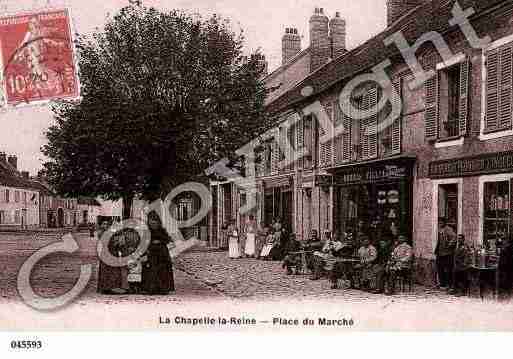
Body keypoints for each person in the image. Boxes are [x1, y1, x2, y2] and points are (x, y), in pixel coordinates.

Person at [141, 211, 175, 295]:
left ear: (158, 222)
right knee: (150, 270)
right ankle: (150, 289)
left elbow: (168, 240)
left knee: (162, 271)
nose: (153, 222)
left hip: (161, 253)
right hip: (151, 253)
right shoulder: (146, 231)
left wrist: (159, 241)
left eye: (154, 220)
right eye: (150, 220)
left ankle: (163, 288)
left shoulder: (162, 230)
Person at [97, 220, 130, 295]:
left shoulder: (113, 233)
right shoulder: (102, 233)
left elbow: (119, 245)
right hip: (105, 254)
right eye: (104, 224)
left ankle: (113, 287)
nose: (105, 225)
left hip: (113, 254)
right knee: (106, 271)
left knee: (114, 272)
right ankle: (105, 288)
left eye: (107, 224)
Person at [435, 219, 457, 289]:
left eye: (441, 222)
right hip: (440, 252)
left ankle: (449, 284)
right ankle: (442, 284)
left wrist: (449, 245)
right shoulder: (440, 229)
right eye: (439, 223)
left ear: (445, 223)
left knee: (448, 269)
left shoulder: (448, 229)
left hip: (447, 253)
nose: (440, 224)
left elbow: (454, 238)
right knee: (440, 268)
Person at [498, 234, 513, 301]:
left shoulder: (507, 247)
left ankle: (505, 295)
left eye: (504, 239)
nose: (503, 241)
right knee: (506, 279)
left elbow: (503, 256)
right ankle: (506, 293)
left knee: (505, 279)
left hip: (505, 265)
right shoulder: (506, 246)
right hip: (506, 265)